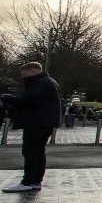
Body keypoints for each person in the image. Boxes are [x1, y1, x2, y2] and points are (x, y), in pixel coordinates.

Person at [2, 62, 62, 193]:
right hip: (44, 122)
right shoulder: (49, 82)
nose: (23, 77)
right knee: (38, 152)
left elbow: (29, 100)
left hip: (37, 123)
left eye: (25, 74)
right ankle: (35, 181)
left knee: (30, 152)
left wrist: (8, 99)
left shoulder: (41, 83)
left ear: (34, 72)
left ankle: (28, 181)